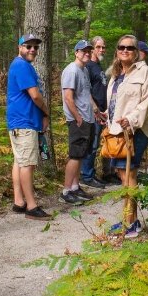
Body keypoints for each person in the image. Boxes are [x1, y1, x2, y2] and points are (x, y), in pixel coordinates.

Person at [106, 34, 148, 238]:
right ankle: (131, 220)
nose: (125, 50)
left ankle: (131, 224)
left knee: (129, 175)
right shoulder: (116, 74)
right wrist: (107, 115)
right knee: (123, 175)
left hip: (135, 131)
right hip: (116, 131)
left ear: (136, 52)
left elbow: (146, 103)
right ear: (117, 51)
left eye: (129, 48)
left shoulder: (145, 74)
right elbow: (115, 101)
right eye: (121, 47)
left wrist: (131, 120)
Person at [6, 34, 52, 220]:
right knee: (27, 164)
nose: (32, 49)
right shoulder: (21, 65)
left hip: (22, 121)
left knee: (20, 161)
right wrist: (46, 112)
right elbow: (35, 95)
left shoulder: (21, 65)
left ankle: (19, 201)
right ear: (19, 47)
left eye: (35, 47)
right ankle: (31, 207)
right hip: (23, 122)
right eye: (28, 46)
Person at [60, 40, 97, 205]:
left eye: (89, 51)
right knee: (75, 155)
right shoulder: (72, 70)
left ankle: (75, 187)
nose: (87, 53)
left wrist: (96, 110)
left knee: (81, 154)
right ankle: (66, 191)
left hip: (87, 118)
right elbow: (68, 97)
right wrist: (78, 117)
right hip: (77, 120)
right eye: (83, 51)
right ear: (76, 52)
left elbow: (87, 94)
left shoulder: (84, 70)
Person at [80, 36, 111, 189]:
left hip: (103, 112)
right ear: (92, 49)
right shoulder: (89, 67)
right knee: (91, 145)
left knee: (98, 144)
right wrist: (95, 110)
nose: (101, 50)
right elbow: (87, 91)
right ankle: (86, 176)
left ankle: (93, 174)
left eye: (103, 47)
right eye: (98, 47)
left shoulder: (99, 66)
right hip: (94, 113)